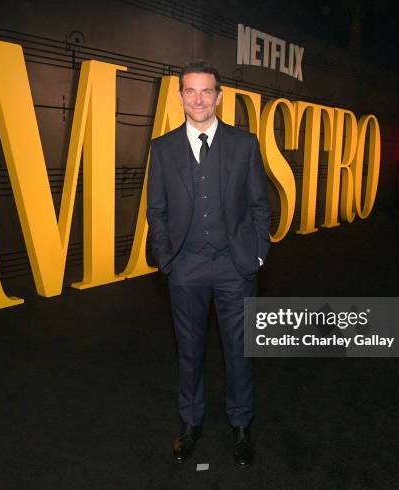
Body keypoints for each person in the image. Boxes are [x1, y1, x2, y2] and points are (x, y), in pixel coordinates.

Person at [146, 60, 271, 468]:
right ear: (180, 96)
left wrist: (255, 255)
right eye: (190, 91)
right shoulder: (162, 149)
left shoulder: (245, 144)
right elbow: (157, 212)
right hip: (186, 267)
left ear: (218, 96)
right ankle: (191, 422)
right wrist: (168, 259)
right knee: (189, 351)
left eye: (206, 91)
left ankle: (241, 425)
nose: (198, 98)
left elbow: (259, 206)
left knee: (239, 351)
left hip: (235, 266)